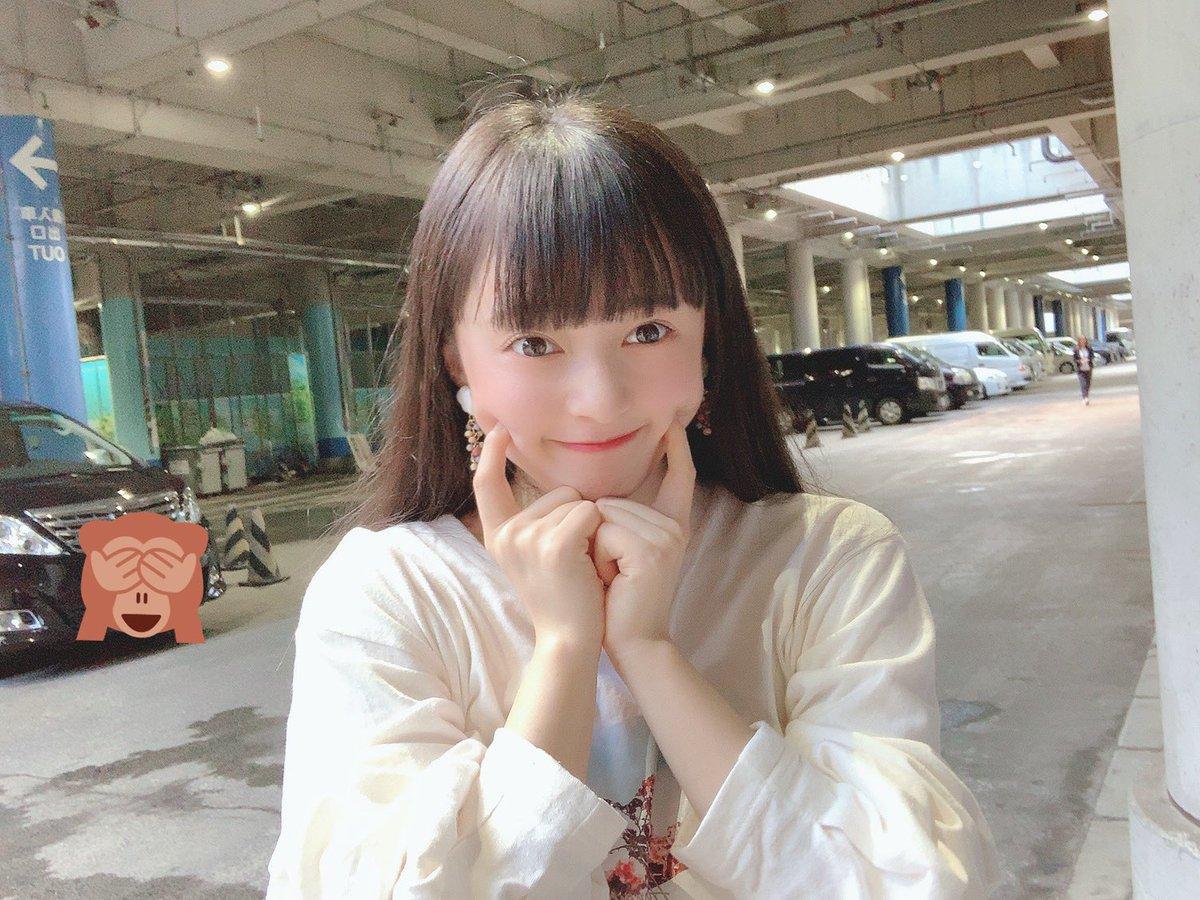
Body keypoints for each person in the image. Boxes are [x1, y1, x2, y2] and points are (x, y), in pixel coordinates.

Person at [266, 75, 1002, 898]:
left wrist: (649, 651)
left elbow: (909, 884)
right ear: (455, 360)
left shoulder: (826, 558)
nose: (599, 399)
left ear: (707, 340)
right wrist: (564, 648)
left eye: (648, 330)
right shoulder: (389, 592)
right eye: (534, 342)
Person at [1073, 336, 1096, 405]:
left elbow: (1092, 356)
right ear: (1079, 341)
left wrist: (1088, 359)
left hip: (1088, 368)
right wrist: (1080, 361)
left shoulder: (1089, 348)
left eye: (1084, 340)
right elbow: (1074, 359)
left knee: (1088, 383)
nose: (1083, 341)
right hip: (1080, 369)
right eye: (1081, 340)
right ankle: (1085, 398)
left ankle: (1086, 396)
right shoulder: (1076, 350)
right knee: (1083, 383)